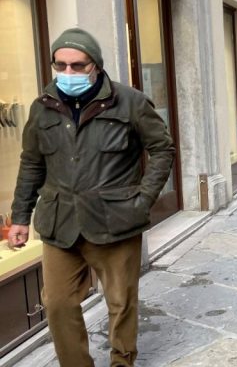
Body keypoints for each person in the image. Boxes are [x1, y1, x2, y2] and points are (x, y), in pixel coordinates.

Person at [8, 28, 175, 366]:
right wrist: (21, 217)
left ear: (95, 65)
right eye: (60, 66)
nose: (68, 74)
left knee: (120, 302)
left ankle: (121, 361)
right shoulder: (43, 108)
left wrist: (142, 200)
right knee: (56, 303)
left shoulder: (131, 102)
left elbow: (162, 149)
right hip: (60, 222)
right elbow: (31, 163)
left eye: (77, 66)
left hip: (116, 220)